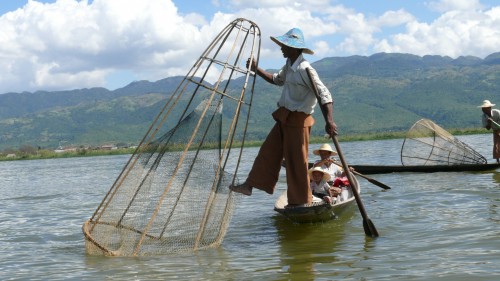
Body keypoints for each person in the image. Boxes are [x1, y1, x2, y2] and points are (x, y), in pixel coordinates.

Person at [229, 28, 336, 208]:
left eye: (284, 45)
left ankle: (301, 201)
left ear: (293, 48)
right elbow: (276, 80)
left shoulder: (305, 69)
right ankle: (249, 185)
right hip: (284, 117)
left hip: (299, 120)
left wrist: (329, 121)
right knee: (268, 151)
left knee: (296, 163)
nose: (281, 49)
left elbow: (324, 95)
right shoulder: (289, 66)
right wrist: (256, 69)